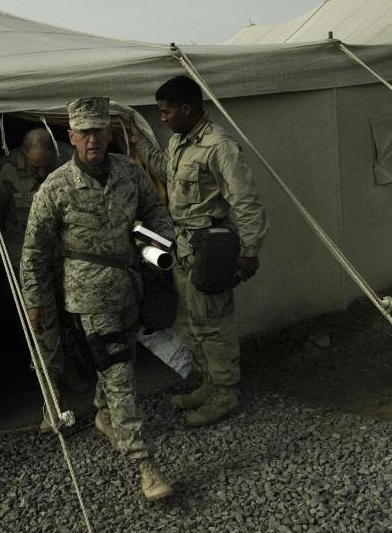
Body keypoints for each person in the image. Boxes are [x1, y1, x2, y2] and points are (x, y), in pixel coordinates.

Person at [20, 97, 176, 501]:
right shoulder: (55, 188)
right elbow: (34, 251)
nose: (92, 140)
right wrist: (35, 301)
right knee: (121, 372)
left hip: (130, 284)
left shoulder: (128, 172)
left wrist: (156, 253)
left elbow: (155, 213)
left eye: (99, 131)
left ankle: (104, 416)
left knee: (119, 365)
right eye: (84, 132)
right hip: (89, 295)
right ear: (71, 136)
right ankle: (145, 465)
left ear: (109, 132)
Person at [128, 75, 268, 428]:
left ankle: (226, 393)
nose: (162, 118)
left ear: (187, 108)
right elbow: (166, 171)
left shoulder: (219, 146)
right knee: (190, 321)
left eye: (166, 112)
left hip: (211, 250)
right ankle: (209, 383)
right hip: (184, 250)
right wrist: (141, 145)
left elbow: (247, 202)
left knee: (213, 324)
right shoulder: (178, 142)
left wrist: (249, 251)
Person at [0, 129, 90, 420]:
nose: (41, 174)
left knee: (71, 318)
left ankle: (68, 372)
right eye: (35, 168)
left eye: (46, 167)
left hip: (63, 257)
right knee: (42, 326)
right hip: (26, 261)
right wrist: (2, 265)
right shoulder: (6, 172)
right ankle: (52, 400)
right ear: (22, 156)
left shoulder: (68, 161)